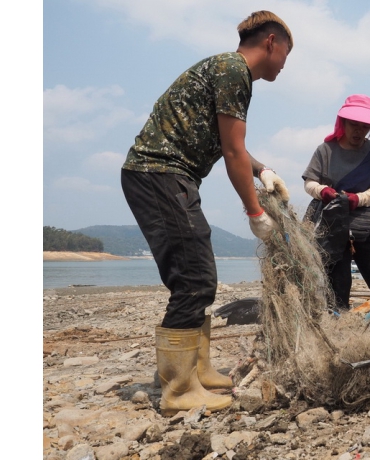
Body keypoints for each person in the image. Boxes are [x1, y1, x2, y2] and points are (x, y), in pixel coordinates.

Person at [120, 11, 293, 416]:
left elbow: (231, 144)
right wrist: (255, 212)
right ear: (271, 42)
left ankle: (198, 369)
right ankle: (180, 390)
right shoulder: (234, 71)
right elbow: (232, 151)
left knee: (199, 275)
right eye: (287, 52)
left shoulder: (226, 70)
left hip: (167, 176)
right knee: (194, 278)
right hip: (160, 173)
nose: (286, 63)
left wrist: (263, 169)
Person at [303, 94, 370, 311]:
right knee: (337, 293)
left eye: (364, 126)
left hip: (366, 222)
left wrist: (359, 199)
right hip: (331, 225)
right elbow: (310, 183)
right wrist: (324, 191)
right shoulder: (325, 150)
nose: (359, 131)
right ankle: (339, 329)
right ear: (343, 123)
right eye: (354, 125)